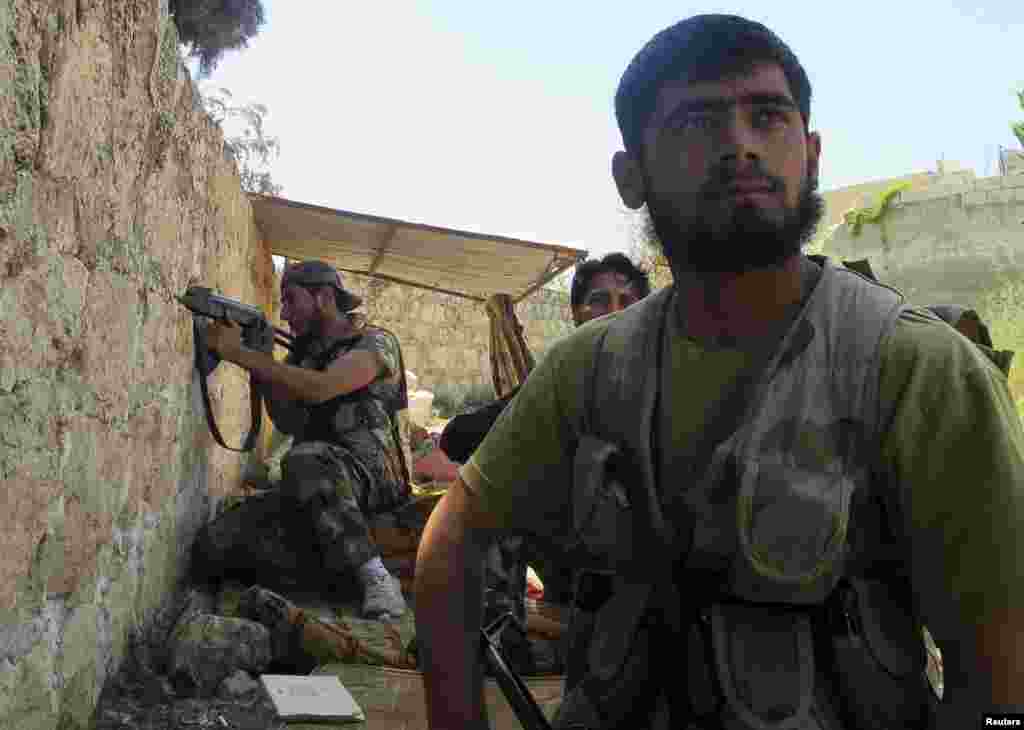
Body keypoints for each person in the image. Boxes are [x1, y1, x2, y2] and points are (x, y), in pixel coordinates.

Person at [414, 14, 1024, 729]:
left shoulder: (916, 371)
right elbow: (449, 545)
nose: (740, 145)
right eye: (697, 122)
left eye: (768, 117)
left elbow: (1002, 686)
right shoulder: (588, 369)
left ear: (812, 153)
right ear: (630, 175)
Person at [199, 260, 409, 621]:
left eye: (290, 300)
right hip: (315, 485)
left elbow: (321, 388)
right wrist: (262, 363)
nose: (284, 313)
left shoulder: (375, 342)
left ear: (324, 298)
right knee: (214, 546)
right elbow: (288, 419)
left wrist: (241, 355)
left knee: (305, 459)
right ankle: (334, 567)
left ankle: (375, 576)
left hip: (374, 479)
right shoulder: (302, 356)